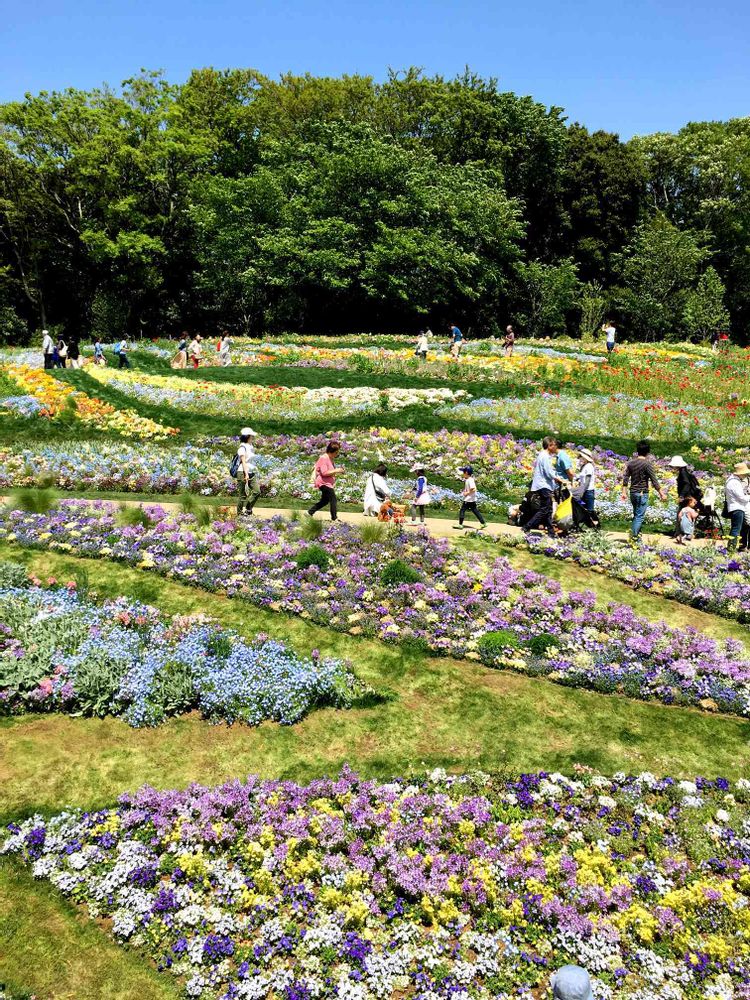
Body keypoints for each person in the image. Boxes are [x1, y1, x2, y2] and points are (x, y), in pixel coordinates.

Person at [620, 440, 668, 544]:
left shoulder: (631, 463)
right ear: (648, 452)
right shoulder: (647, 464)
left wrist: (624, 492)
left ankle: (637, 538)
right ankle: (634, 539)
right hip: (642, 493)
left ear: (637, 451)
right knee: (639, 517)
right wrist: (661, 493)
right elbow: (654, 481)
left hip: (633, 492)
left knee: (636, 516)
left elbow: (625, 478)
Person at [525, 438, 565, 536]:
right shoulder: (545, 457)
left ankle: (551, 532)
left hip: (542, 485)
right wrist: (558, 479)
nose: (556, 447)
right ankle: (527, 526)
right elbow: (548, 472)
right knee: (544, 509)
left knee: (548, 509)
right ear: (549, 446)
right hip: (544, 485)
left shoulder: (542, 455)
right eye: (554, 445)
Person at [307, 441, 344, 521]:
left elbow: (330, 472)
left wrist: (337, 472)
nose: (337, 454)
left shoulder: (330, 458)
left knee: (324, 501)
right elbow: (324, 473)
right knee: (333, 499)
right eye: (336, 452)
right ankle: (334, 518)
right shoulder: (324, 458)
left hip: (327, 483)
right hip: (323, 483)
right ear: (332, 451)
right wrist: (336, 470)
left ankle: (310, 512)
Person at [234, 426, 261, 516]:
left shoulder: (250, 446)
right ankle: (239, 514)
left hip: (251, 472)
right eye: (251, 436)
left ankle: (248, 508)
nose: (253, 438)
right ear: (248, 437)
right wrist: (246, 474)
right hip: (242, 472)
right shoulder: (242, 447)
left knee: (257, 491)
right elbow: (244, 462)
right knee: (243, 496)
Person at [725, 461, 750, 553]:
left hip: (736, 507)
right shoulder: (734, 482)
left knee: (738, 528)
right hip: (737, 507)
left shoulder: (732, 480)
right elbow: (742, 498)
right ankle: (731, 547)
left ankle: (733, 546)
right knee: (736, 529)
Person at [453, 466, 486, 530]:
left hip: (468, 499)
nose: (463, 474)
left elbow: (473, 489)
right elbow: (474, 488)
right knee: (475, 511)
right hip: (472, 499)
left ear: (466, 472)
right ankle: (483, 523)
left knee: (462, 510)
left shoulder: (470, 480)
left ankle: (460, 524)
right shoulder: (469, 480)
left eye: (463, 472)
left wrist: (466, 493)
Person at [573, 447, 597, 512]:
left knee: (589, 510)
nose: (580, 458)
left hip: (588, 492)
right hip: (584, 491)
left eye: (581, 457)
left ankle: (593, 521)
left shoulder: (589, 466)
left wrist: (581, 492)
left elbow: (587, 481)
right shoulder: (584, 466)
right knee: (582, 507)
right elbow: (580, 477)